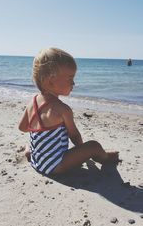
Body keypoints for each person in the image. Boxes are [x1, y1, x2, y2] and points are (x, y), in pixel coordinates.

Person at [18, 48, 119, 176]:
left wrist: (42, 130)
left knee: (33, 145)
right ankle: (104, 157)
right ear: (51, 81)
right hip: (56, 166)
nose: (73, 83)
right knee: (94, 146)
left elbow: (22, 128)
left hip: (37, 161)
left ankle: (30, 151)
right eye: (70, 78)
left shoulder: (32, 102)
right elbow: (75, 136)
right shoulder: (63, 109)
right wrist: (84, 152)